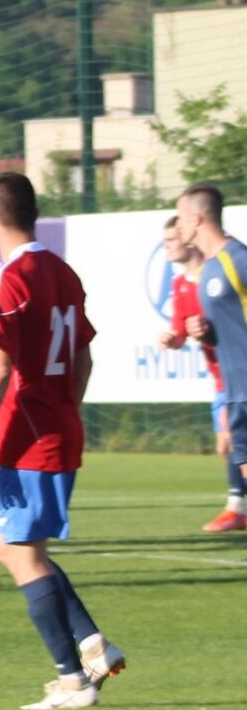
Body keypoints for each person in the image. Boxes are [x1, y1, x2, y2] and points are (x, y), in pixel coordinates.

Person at [0, 173, 127, 710]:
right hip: (57, 429)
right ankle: (93, 645)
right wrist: (67, 409)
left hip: (28, 437)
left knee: (20, 553)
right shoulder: (62, 272)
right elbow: (84, 355)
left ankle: (73, 680)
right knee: (21, 550)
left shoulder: (7, 277)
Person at [154, 213, 238, 530]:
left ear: (189, 240)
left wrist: (207, 329)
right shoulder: (179, 285)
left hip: (236, 372)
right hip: (220, 377)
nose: (167, 246)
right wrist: (172, 339)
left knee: (232, 441)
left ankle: (237, 507)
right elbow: (181, 333)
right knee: (226, 445)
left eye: (171, 240)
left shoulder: (218, 274)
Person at [170, 188, 247, 535]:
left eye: (181, 219)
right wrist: (203, 332)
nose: (178, 227)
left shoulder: (237, 259)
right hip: (235, 391)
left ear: (196, 219)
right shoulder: (207, 272)